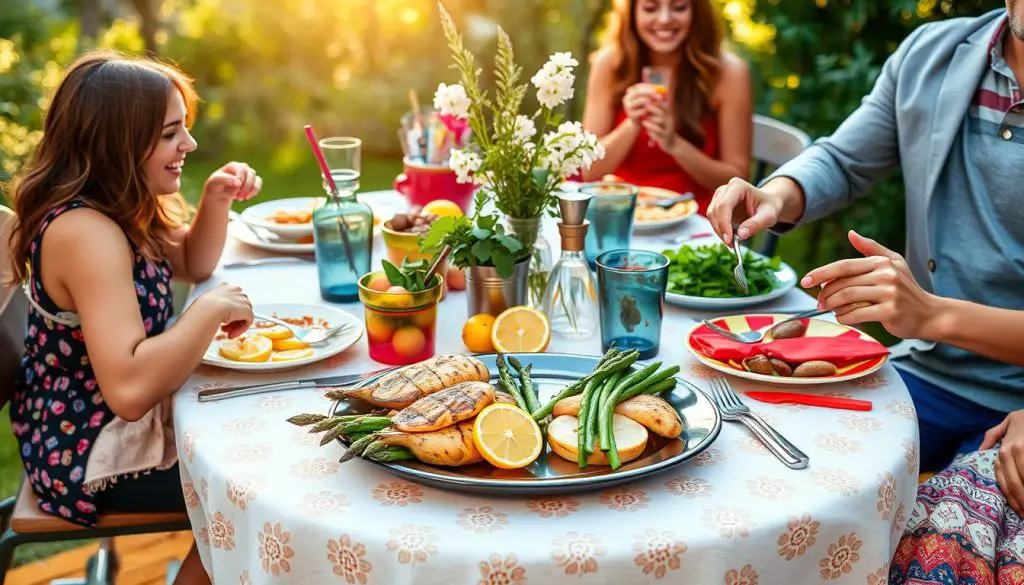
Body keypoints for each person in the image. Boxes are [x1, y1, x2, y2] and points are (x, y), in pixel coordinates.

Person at [705, 4, 1024, 582]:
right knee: (750, 460)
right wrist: (775, 196)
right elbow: (842, 160)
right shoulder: (931, 54)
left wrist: (929, 314)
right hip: (930, 375)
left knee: (941, 539)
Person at [6, 50, 260, 585]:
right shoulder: (84, 233)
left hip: (115, 419)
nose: (188, 145)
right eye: (171, 134)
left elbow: (192, 262)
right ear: (118, 144)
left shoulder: (122, 200)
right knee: (255, 491)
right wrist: (209, 310)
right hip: (89, 447)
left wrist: (215, 199)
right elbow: (127, 387)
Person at [581, 0, 752, 214]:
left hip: (694, 222)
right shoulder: (610, 65)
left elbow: (736, 180)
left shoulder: (729, 73)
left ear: (697, 11)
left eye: (679, 7)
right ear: (632, 12)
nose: (664, 19)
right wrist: (632, 124)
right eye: (650, 8)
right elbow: (589, 171)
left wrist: (674, 144)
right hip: (620, 213)